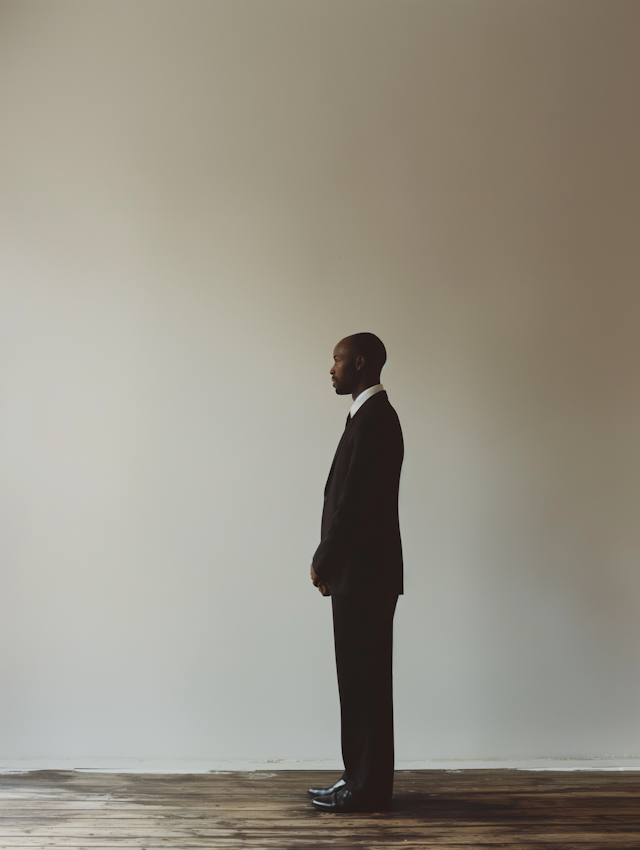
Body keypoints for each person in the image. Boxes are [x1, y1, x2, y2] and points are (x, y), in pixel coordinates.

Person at [308, 333, 404, 813]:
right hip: (362, 575)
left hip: (364, 576)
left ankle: (366, 788)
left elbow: (354, 508)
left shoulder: (375, 420)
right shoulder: (367, 418)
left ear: (361, 364)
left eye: (337, 360)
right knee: (359, 681)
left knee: (364, 682)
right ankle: (357, 779)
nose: (331, 369)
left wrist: (324, 559)